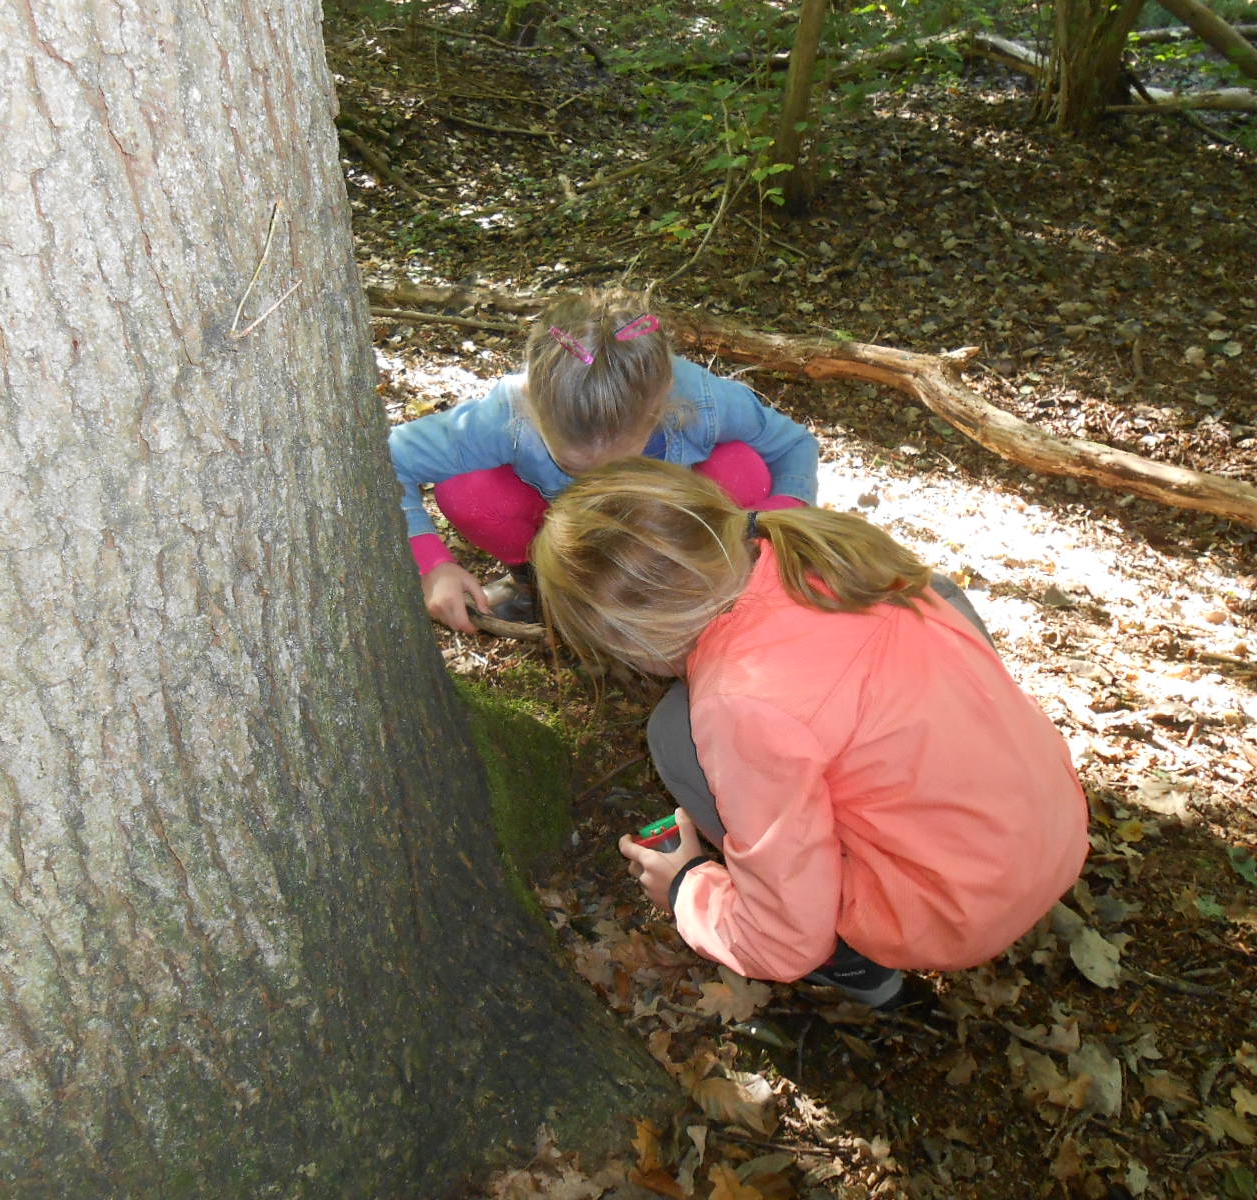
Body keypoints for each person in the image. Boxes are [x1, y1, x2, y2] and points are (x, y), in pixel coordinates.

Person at [531, 459, 1089, 1010]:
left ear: (630, 641)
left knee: (676, 736)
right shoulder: (826, 550)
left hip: (957, 911)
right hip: (1057, 828)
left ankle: (853, 963)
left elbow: (784, 942)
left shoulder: (739, 702)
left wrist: (689, 888)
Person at [388, 288, 819, 632]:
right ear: (533, 406)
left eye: (616, 465)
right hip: (559, 526)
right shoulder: (504, 417)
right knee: (468, 489)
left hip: (667, 523)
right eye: (574, 466)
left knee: (741, 469)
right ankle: (535, 583)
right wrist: (432, 563)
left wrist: (772, 522)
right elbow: (390, 461)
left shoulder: (702, 402)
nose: (597, 480)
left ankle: (703, 589)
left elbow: (793, 445)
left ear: (661, 412)